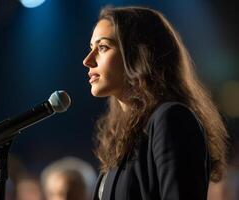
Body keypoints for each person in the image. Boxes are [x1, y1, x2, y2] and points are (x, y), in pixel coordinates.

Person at [82, 6, 228, 200]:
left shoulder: (172, 119)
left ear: (138, 54)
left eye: (103, 47)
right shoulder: (121, 134)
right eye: (91, 48)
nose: (87, 60)